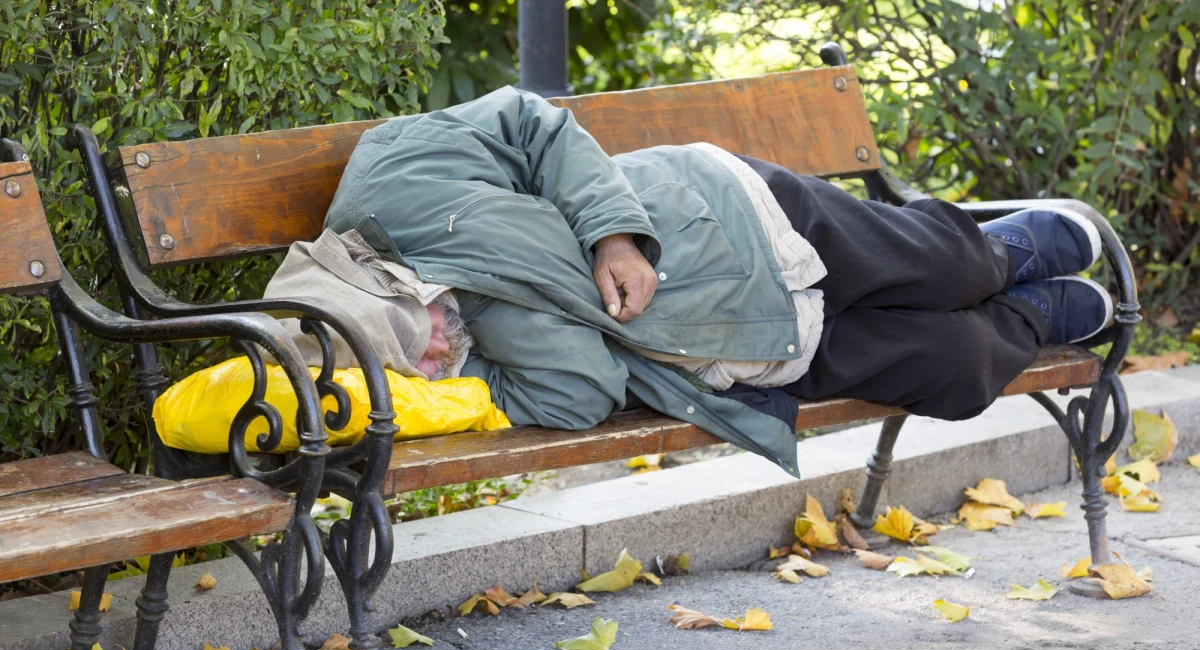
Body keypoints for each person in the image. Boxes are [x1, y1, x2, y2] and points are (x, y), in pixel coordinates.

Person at [318, 87, 1112, 476]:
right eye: (410, 369)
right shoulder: (470, 352)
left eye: (406, 337)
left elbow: (533, 121)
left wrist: (613, 234)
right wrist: (479, 354)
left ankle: (1007, 254)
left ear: (375, 282)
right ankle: (1033, 320)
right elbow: (582, 393)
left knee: (949, 265)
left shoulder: (390, 176)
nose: (428, 357)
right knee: (954, 362)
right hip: (731, 355)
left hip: (734, 219)